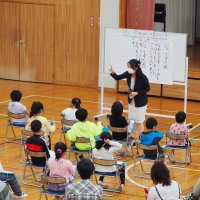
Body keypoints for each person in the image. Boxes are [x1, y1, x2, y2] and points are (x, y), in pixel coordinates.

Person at [109, 59, 150, 138]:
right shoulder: (128, 74)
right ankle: (131, 138)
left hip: (140, 102)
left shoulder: (143, 77)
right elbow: (118, 77)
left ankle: (140, 139)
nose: (129, 69)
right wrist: (113, 73)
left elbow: (147, 89)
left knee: (139, 121)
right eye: (128, 67)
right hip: (131, 101)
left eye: (130, 67)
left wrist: (137, 93)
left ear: (136, 68)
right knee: (131, 120)